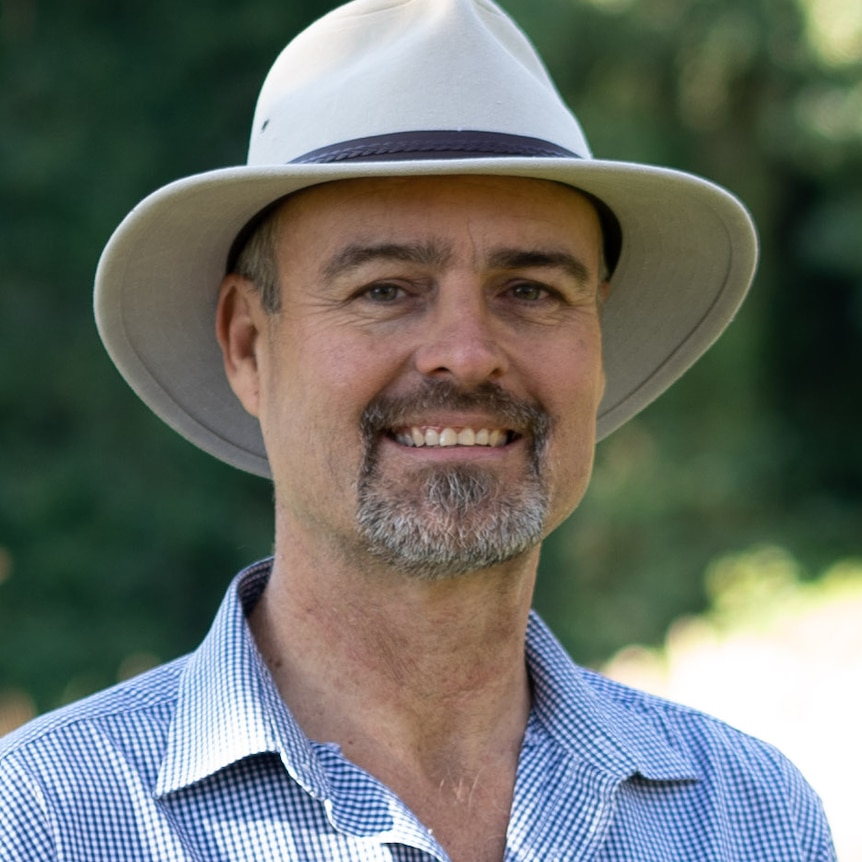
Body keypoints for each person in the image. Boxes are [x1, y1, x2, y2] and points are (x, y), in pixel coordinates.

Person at [0, 0, 836, 859]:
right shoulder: (49, 822)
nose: (468, 356)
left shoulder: (749, 816)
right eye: (387, 289)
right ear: (249, 346)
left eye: (532, 291)